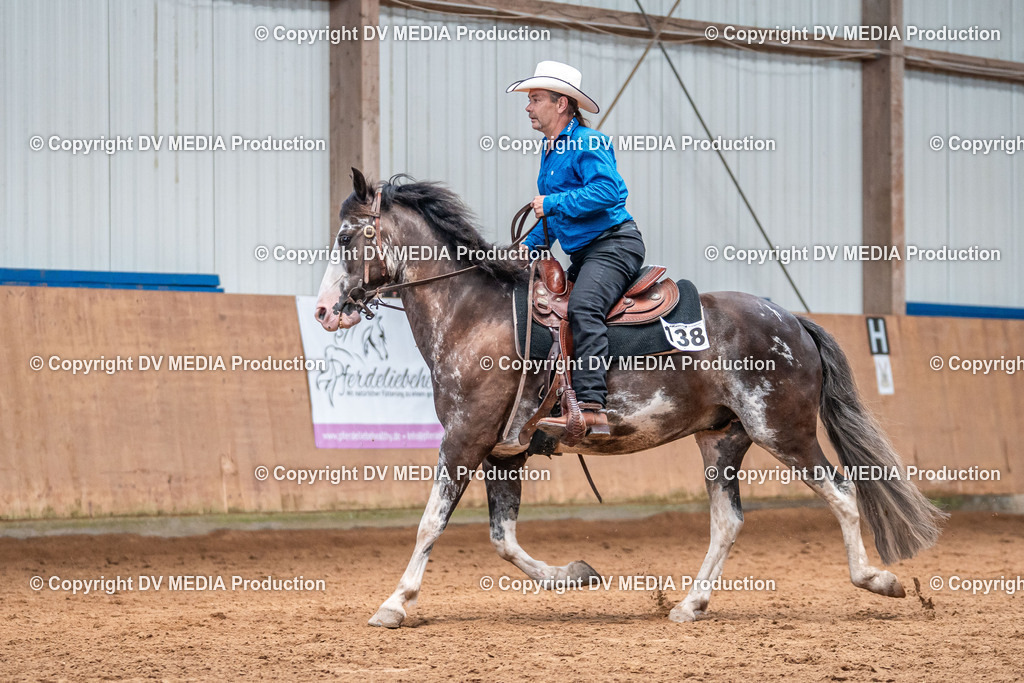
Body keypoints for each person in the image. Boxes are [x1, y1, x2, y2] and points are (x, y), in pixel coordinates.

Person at [507, 60, 646, 436]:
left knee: (584, 306)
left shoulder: (588, 142)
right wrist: (524, 249)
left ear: (562, 104)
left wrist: (551, 204)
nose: (528, 107)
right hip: (586, 253)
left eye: (535, 99)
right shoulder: (549, 151)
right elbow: (553, 222)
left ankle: (593, 407)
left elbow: (610, 191)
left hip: (615, 244)